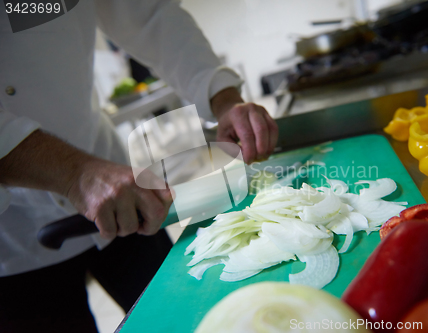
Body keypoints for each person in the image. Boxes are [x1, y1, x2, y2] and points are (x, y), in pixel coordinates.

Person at [0, 1, 278, 332]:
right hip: (12, 242)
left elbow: (150, 15)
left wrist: (223, 96)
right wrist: (75, 173)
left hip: (123, 194)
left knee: (189, 317)